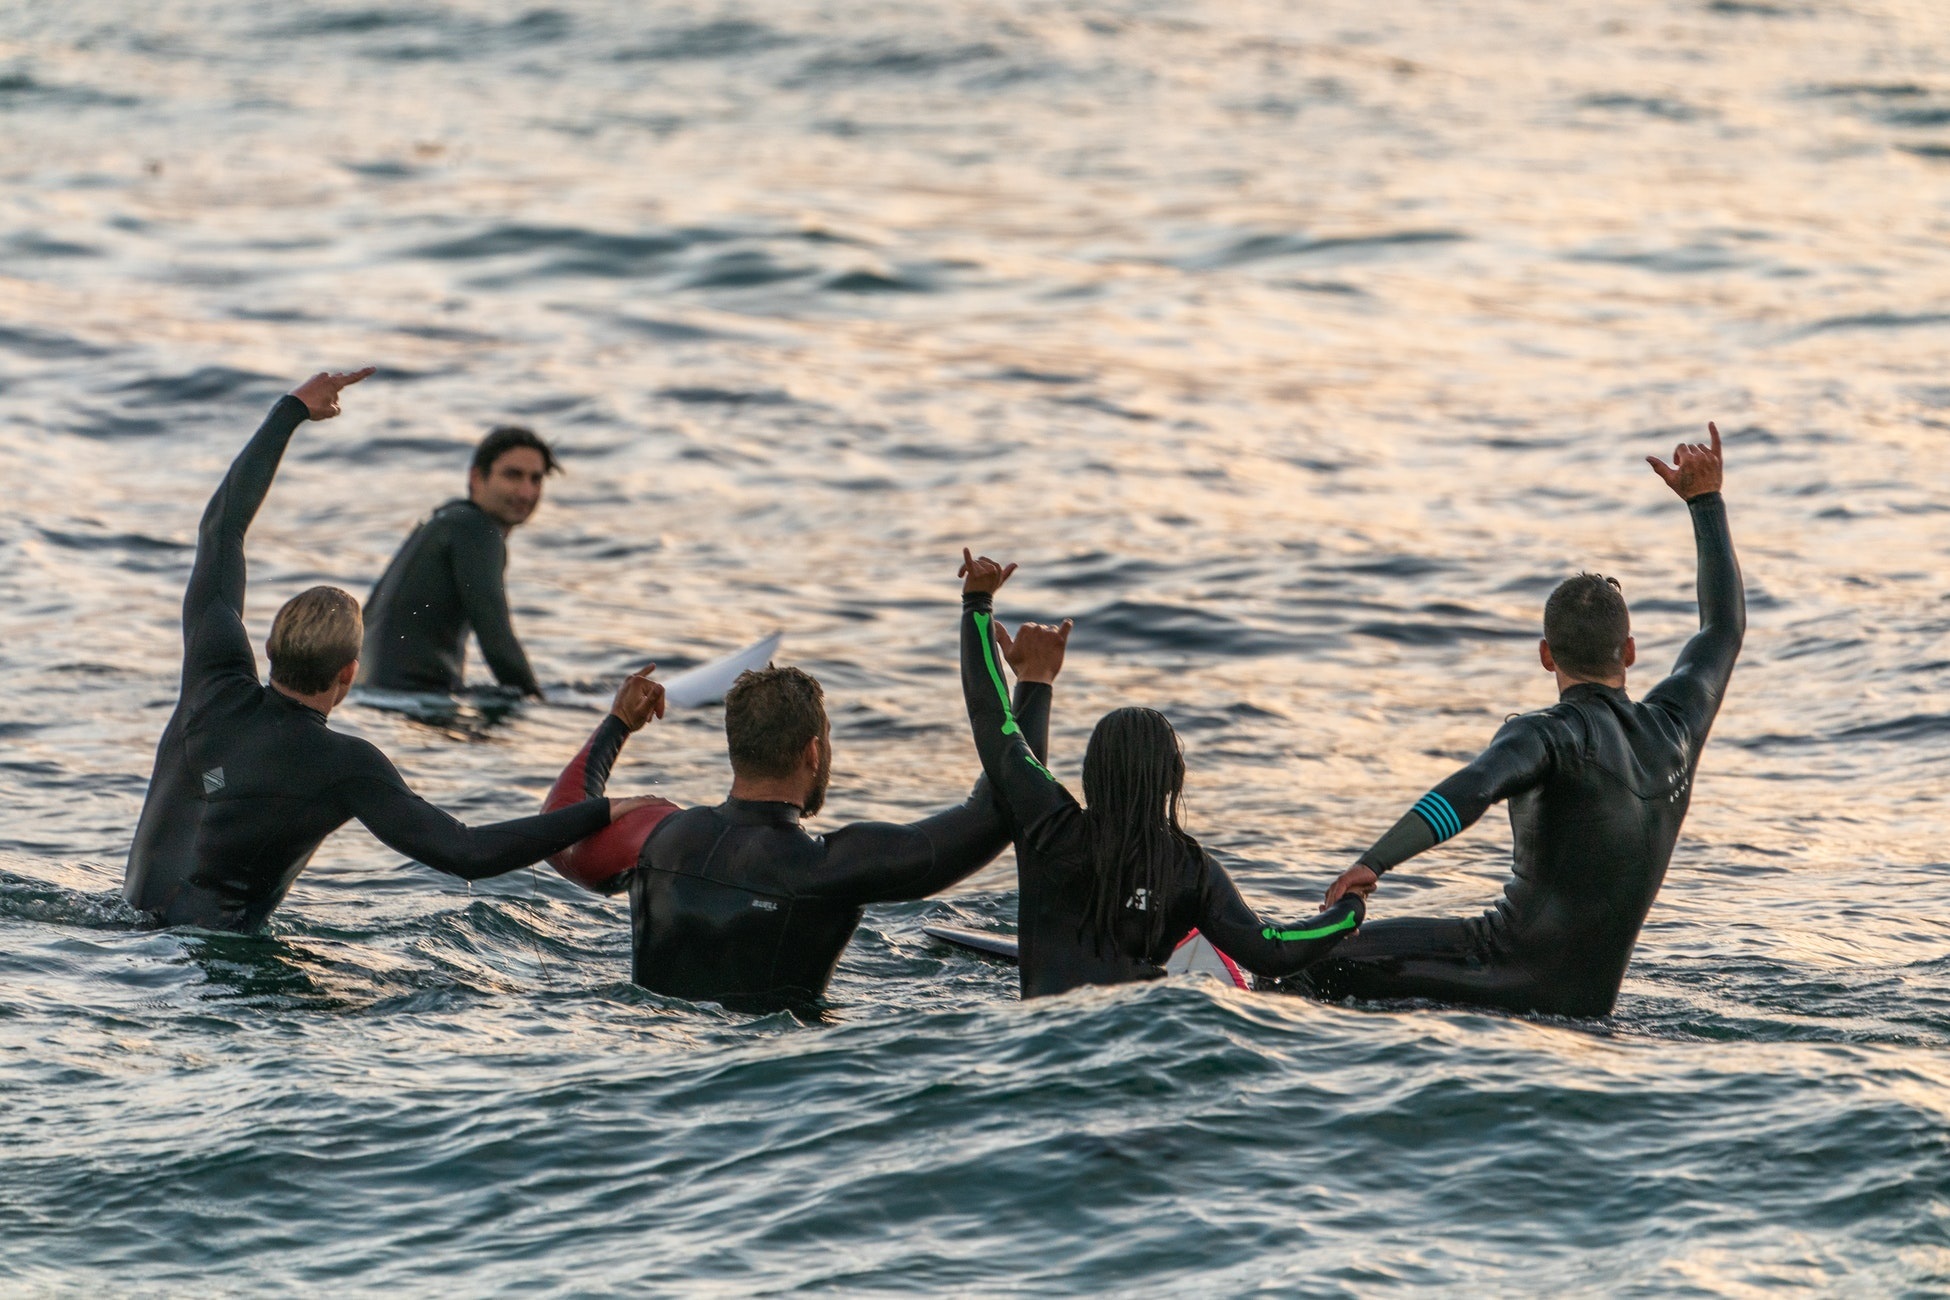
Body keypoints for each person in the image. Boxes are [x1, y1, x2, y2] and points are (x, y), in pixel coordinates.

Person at [122, 371, 662, 932]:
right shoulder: (346, 765)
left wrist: (291, 411)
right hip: (215, 962)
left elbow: (221, 529)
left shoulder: (212, 681)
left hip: (126, 934)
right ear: (349, 674)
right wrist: (601, 809)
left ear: (269, 647)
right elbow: (467, 852)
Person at [1298, 425, 1744, 1018]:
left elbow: (1472, 788)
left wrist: (1374, 861)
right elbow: (1722, 630)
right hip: (1588, 1006)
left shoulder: (1544, 734)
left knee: (1307, 966)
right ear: (1630, 652)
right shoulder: (1676, 729)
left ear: (1546, 656)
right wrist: (1706, 502)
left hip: (1499, 971)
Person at [956, 550, 1365, 999]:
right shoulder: (1192, 870)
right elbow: (1274, 950)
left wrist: (977, 605)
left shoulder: (1049, 828)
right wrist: (1349, 909)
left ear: (1092, 773)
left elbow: (991, 718)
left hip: (1047, 1032)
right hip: (1152, 1028)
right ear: (1173, 779)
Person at [536, 660, 1052, 1010]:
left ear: (735, 747)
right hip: (781, 1094)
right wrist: (1034, 680)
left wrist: (619, 723)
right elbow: (998, 810)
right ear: (812, 752)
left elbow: (560, 824)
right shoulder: (829, 869)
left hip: (650, 1055)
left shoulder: (659, 835)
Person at [357, 424, 559, 697]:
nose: (526, 492)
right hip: (411, 697)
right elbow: (498, 643)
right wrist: (539, 703)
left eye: (536, 479)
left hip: (372, 692)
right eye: (513, 476)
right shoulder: (476, 528)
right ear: (477, 478)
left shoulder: (446, 520)